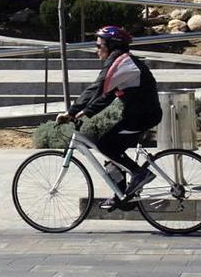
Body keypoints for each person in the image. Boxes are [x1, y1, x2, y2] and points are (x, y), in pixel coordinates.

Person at [56, 25, 163, 210]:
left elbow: (96, 88)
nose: (96, 50)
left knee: (106, 145)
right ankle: (123, 197)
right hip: (137, 114)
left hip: (143, 116)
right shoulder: (122, 62)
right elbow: (107, 95)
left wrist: (71, 111)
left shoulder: (121, 62)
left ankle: (140, 174)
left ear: (111, 45)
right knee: (110, 152)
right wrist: (87, 112)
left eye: (99, 46)